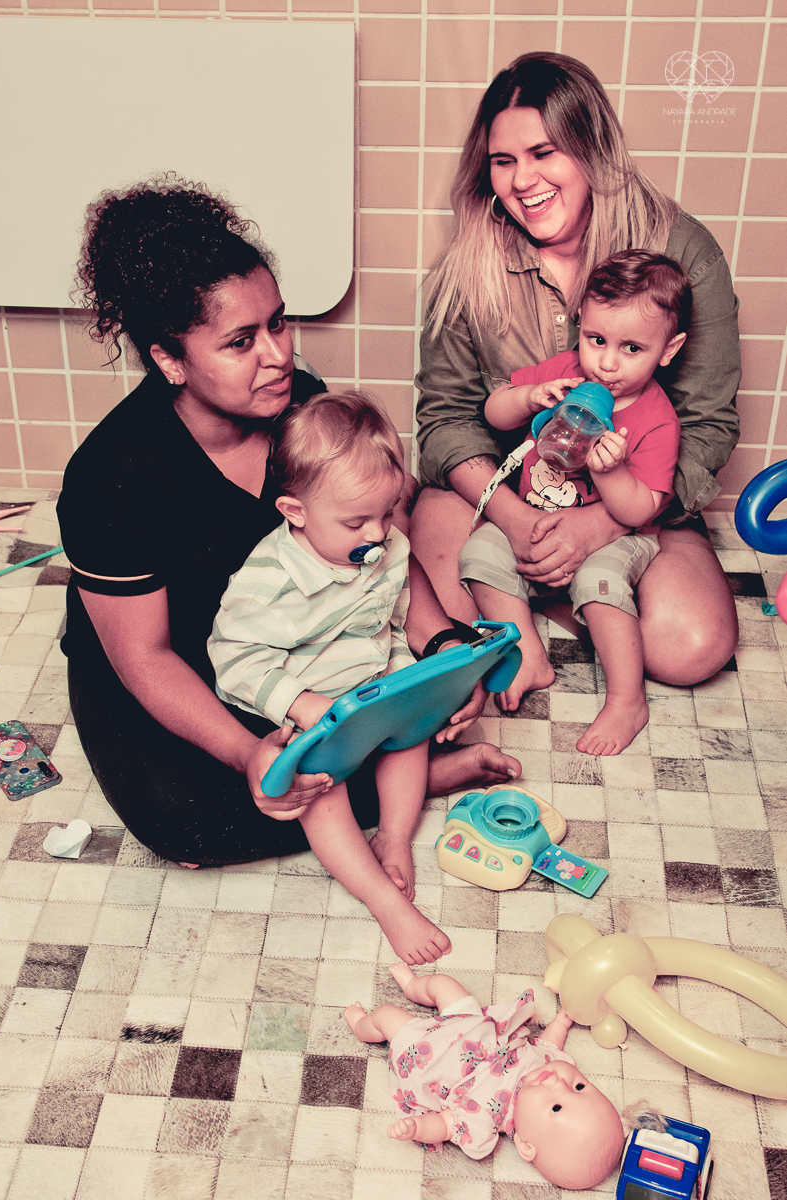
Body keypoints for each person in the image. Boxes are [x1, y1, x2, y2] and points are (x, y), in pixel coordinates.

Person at [56, 176, 520, 868]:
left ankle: (393, 774)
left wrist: (443, 647)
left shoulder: (301, 410)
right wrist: (248, 753)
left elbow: (378, 543)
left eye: (277, 322)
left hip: (288, 632)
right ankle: (414, 779)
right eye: (240, 342)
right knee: (186, 825)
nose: (277, 355)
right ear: (168, 359)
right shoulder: (110, 478)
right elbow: (145, 659)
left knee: (357, 710)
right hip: (171, 655)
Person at [411, 52, 740, 692]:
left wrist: (606, 522)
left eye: (543, 153)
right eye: (503, 161)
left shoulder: (682, 250)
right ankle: (556, 598)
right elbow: (445, 420)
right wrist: (514, 518)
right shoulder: (465, 266)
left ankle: (555, 593)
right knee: (439, 612)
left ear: (592, 150)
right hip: (508, 493)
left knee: (688, 649)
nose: (522, 179)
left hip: (635, 504)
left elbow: (707, 426)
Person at [208, 391, 450, 963]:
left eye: (386, 514)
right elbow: (233, 659)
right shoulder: (268, 581)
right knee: (320, 786)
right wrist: (302, 702)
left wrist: (416, 677)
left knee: (411, 731)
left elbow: (389, 621)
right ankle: (385, 903)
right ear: (296, 512)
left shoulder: (385, 548)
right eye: (354, 522)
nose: (376, 534)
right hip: (295, 703)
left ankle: (394, 833)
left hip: (366, 683)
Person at [460, 251, 688, 756]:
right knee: (479, 553)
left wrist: (612, 473)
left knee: (599, 582)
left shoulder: (656, 419)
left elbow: (638, 511)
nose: (606, 363)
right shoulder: (565, 372)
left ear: (668, 350)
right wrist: (529, 397)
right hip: (538, 516)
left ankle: (627, 700)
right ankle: (526, 651)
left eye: (632, 348)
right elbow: (493, 412)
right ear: (580, 325)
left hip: (620, 536)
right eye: (597, 340)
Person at [345, 963, 625, 1191]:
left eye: (556, 1107)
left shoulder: (483, 1121)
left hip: (427, 1055)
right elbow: (548, 1044)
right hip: (469, 1024)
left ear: (525, 1144)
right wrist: (561, 1023)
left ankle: (360, 1025)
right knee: (442, 984)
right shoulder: (549, 1064)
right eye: (579, 1086)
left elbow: (444, 1125)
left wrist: (417, 1127)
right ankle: (412, 987)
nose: (558, 1083)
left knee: (385, 1017)